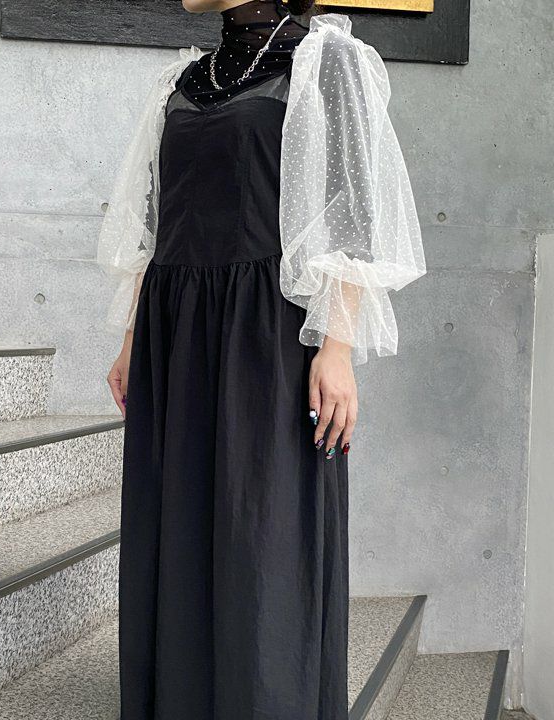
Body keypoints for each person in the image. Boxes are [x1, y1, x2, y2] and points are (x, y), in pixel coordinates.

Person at [97, 0, 426, 717]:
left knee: (262, 529)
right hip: (175, 336)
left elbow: (351, 213)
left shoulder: (325, 61)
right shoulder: (181, 82)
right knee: (177, 527)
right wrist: (130, 337)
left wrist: (337, 345)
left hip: (268, 337)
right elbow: (154, 222)